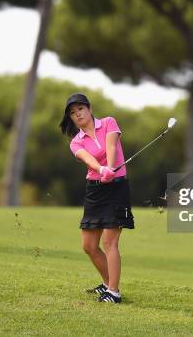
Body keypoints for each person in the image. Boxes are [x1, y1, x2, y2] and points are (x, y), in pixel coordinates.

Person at [59, 93, 134, 304]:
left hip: (117, 188)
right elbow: (88, 158)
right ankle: (108, 283)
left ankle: (114, 293)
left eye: (80, 109)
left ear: (89, 109)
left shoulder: (109, 122)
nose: (77, 114)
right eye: (73, 113)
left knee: (109, 242)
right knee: (89, 245)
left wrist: (110, 168)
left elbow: (111, 146)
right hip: (95, 190)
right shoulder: (76, 142)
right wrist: (101, 169)